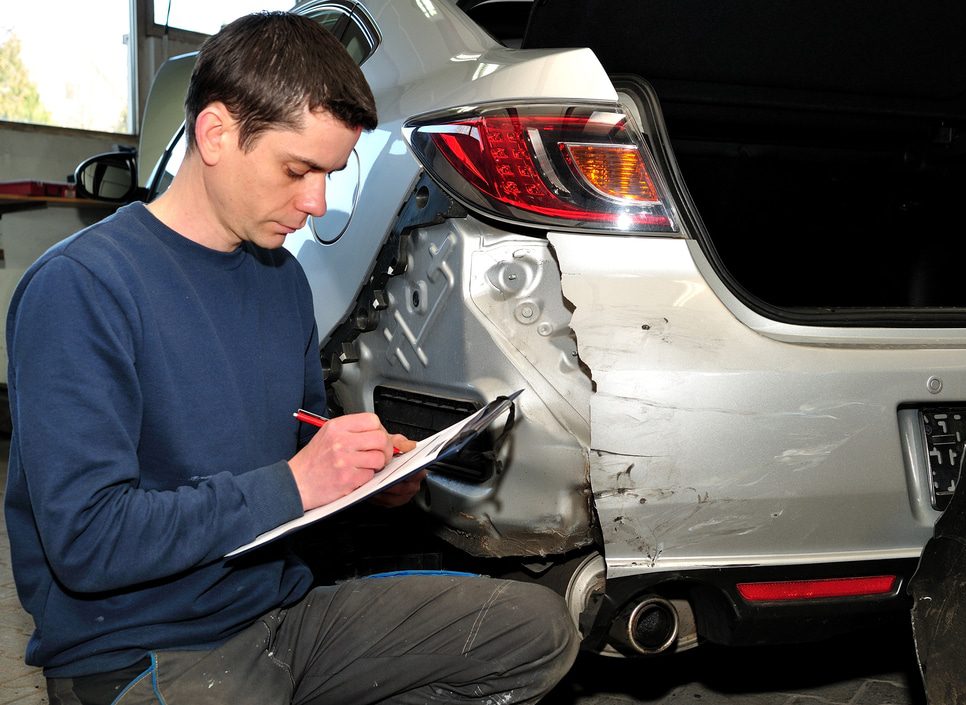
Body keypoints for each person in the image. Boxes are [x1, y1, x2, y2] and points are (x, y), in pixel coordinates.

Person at [4, 11, 579, 705]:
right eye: (298, 169)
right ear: (215, 133)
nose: (316, 202)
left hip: (284, 617)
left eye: (330, 174)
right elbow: (88, 539)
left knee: (536, 630)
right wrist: (298, 482)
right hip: (148, 647)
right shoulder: (81, 288)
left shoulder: (281, 280)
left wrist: (367, 479)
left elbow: (302, 443)